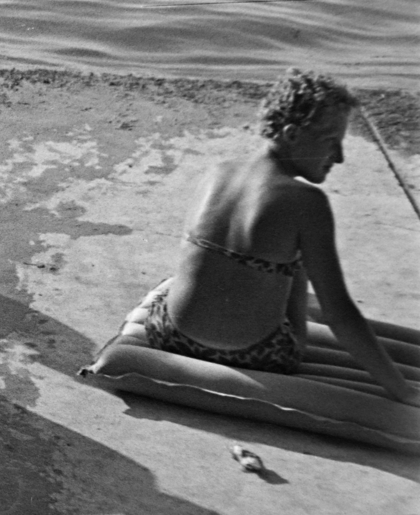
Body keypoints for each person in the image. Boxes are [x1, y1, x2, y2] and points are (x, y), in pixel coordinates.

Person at [147, 69, 419, 404]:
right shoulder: (308, 202)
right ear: (291, 134)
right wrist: (402, 390)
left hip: (169, 336)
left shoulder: (217, 173)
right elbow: (339, 314)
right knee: (294, 253)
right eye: (331, 142)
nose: (340, 157)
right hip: (259, 355)